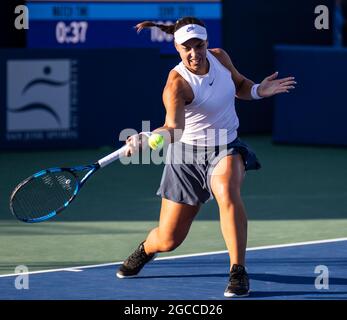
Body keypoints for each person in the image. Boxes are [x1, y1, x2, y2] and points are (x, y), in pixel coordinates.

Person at [116, 17, 295, 298]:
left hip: (225, 146)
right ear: (177, 47)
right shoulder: (177, 84)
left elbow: (240, 85)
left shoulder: (220, 58)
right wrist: (146, 138)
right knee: (169, 238)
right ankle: (146, 249)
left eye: (199, 46)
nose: (194, 53)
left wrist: (260, 90)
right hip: (185, 156)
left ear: (207, 43)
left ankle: (238, 271)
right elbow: (173, 129)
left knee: (226, 189)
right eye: (187, 47)